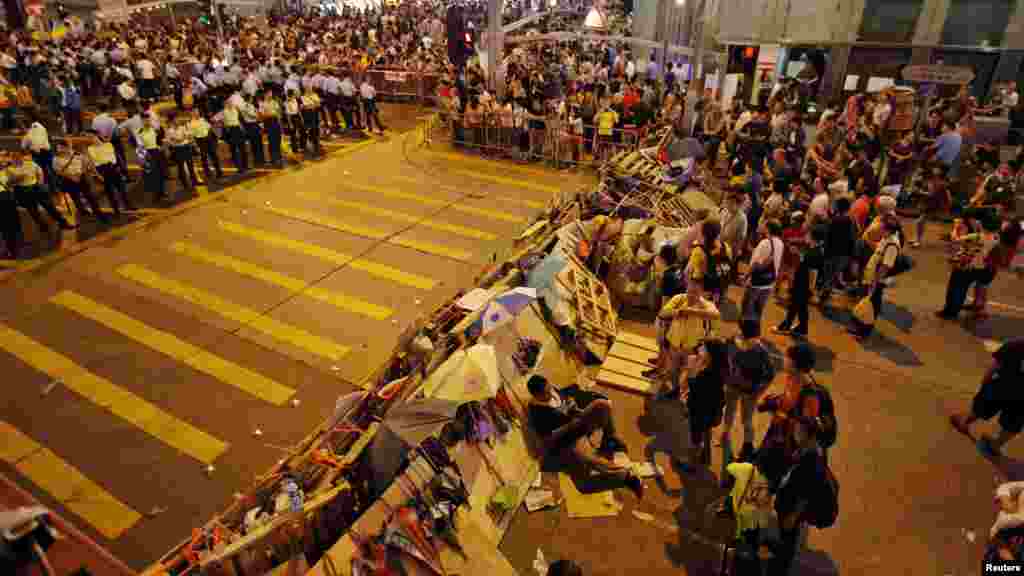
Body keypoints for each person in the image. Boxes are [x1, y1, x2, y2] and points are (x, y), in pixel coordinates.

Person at [525, 375, 643, 499]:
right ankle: (625, 477)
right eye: (546, 393)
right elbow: (547, 439)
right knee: (585, 480)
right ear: (537, 396)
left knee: (602, 404)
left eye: (550, 388)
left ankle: (610, 439)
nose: (550, 392)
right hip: (568, 439)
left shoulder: (551, 390)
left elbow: (564, 396)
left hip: (578, 423)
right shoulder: (537, 412)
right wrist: (569, 426)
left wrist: (571, 403)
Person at [772, 414, 830, 576]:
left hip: (791, 506)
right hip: (788, 500)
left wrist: (793, 515)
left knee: (788, 539)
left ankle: (780, 567)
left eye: (798, 430)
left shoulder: (812, 460)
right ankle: (781, 549)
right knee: (784, 534)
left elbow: (806, 493)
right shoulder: (808, 447)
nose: (795, 432)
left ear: (807, 433)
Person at [951, 339, 1024, 457]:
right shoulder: (1016, 345)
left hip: (1001, 387)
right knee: (1014, 422)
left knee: (982, 407)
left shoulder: (1016, 345)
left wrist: (985, 381)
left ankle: (964, 422)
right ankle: (996, 444)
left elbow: (995, 365)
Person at [655, 277, 721, 400]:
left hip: (692, 348)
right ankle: (674, 390)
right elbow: (662, 313)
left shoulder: (706, 304)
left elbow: (716, 315)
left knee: (688, 375)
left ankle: (686, 398)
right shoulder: (679, 299)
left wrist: (693, 311)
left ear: (701, 292)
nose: (691, 295)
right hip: (674, 344)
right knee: (672, 371)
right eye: (689, 291)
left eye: (695, 292)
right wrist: (678, 312)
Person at [723, 319, 775, 463]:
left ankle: (747, 447)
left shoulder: (760, 351)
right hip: (733, 385)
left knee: (746, 420)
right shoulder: (733, 341)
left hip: (749, 391)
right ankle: (726, 434)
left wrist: (759, 391)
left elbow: (770, 375)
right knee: (730, 410)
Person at [936, 209, 1000, 320]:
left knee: (956, 289)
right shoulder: (996, 237)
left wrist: (956, 227)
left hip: (967, 267)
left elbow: (955, 239)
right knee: (963, 289)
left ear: (983, 223)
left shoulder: (976, 237)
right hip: (982, 267)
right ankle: (958, 308)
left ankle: (951, 311)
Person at [849, 214, 902, 340]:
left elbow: (885, 266)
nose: (879, 229)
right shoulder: (886, 238)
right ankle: (858, 327)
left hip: (876, 281)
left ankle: (864, 332)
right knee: (864, 304)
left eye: (882, 228)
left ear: (888, 230)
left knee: (870, 307)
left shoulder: (892, 245)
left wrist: (874, 282)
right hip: (870, 277)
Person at [681, 338, 729, 472]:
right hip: (712, 412)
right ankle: (706, 457)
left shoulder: (707, 374)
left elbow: (690, 386)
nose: (700, 350)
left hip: (700, 412)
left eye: (703, 348)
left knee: (695, 439)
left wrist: (690, 370)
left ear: (710, 354)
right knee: (705, 432)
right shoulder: (719, 369)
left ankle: (691, 465)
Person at [915, 120, 962, 247]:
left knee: (923, 218)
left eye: (943, 125)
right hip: (948, 174)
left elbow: (931, 149)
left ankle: (954, 238)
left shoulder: (944, 137)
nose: (942, 128)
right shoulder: (958, 136)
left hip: (937, 198)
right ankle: (919, 240)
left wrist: (920, 191)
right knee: (925, 218)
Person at [8, 150, 73, 236]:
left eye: (18, 157)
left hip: (36, 187)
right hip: (23, 190)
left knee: (50, 206)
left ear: (21, 157)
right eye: (14, 158)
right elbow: (9, 183)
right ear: (12, 159)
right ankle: (44, 228)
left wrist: (40, 182)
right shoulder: (9, 169)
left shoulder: (30, 164)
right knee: (33, 211)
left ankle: (63, 223)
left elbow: (40, 172)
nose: (17, 159)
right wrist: (16, 179)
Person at [777, 223, 825, 337]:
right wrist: (798, 254)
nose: (805, 236)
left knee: (794, 306)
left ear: (813, 237)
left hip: (803, 286)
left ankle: (786, 326)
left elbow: (813, 272)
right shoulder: (815, 250)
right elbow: (807, 262)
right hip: (803, 285)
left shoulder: (815, 253)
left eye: (807, 234)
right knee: (801, 307)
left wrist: (810, 290)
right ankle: (802, 328)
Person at [742, 219, 784, 334]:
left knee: (747, 308)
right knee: (758, 310)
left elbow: (756, 264)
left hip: (756, 282)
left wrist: (746, 276)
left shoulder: (765, 243)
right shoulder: (780, 243)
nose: (762, 226)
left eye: (764, 225)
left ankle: (746, 334)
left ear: (768, 228)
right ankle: (755, 333)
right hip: (769, 282)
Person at [53, 139, 108, 223]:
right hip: (68, 180)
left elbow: (85, 163)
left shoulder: (77, 154)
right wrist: (71, 177)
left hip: (81, 177)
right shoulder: (56, 159)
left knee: (90, 196)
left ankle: (99, 213)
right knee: (75, 198)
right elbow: (58, 171)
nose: (60, 150)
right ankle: (83, 212)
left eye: (63, 147)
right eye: (59, 148)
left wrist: (81, 173)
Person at [87, 132, 133, 216]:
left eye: (91, 136)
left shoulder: (108, 144)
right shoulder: (90, 148)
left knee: (121, 188)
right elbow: (94, 162)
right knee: (110, 192)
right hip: (102, 169)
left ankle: (128, 205)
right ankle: (116, 210)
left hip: (113, 167)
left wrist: (118, 166)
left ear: (97, 136)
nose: (91, 139)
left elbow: (114, 156)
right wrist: (98, 175)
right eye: (89, 137)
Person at [166, 113, 198, 193]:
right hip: (178, 149)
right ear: (172, 121)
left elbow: (189, 136)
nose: (177, 121)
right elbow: (173, 141)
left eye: (177, 119)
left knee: (190, 165)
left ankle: (194, 181)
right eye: (176, 119)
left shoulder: (182, 128)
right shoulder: (169, 130)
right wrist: (181, 138)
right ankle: (185, 184)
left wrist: (182, 138)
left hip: (185, 147)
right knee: (181, 168)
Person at [138, 117, 167, 202]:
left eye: (148, 120)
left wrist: (162, 147)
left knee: (161, 173)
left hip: (157, 152)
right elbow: (139, 147)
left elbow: (160, 140)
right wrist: (142, 159)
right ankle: (155, 195)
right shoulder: (140, 132)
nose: (147, 122)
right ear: (142, 122)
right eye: (145, 121)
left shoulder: (155, 130)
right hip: (148, 154)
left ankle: (162, 192)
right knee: (152, 175)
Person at [189, 109, 222, 183]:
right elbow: (192, 136)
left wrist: (213, 138)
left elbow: (209, 128)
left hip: (208, 139)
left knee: (214, 155)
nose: (197, 114)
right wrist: (196, 145)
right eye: (195, 113)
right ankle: (208, 173)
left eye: (197, 112)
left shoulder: (202, 119)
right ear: (192, 114)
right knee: (204, 158)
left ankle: (218, 171)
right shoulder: (191, 124)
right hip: (200, 141)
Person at [221, 95, 248, 174]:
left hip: (237, 129)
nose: (230, 104)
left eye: (231, 102)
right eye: (228, 103)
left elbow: (240, 119)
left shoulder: (236, 110)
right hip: (230, 130)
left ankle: (245, 165)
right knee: (234, 150)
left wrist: (242, 128)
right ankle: (239, 167)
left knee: (242, 148)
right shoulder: (223, 112)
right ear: (225, 104)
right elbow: (218, 120)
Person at [260, 91, 284, 167]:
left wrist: (280, 123)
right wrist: (271, 114)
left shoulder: (274, 102)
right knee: (271, 140)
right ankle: (273, 158)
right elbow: (262, 115)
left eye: (271, 94)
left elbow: (278, 112)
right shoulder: (262, 104)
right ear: (265, 95)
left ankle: (279, 156)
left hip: (276, 121)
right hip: (268, 122)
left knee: (278, 139)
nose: (270, 95)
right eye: (269, 94)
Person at [240, 94, 265, 167]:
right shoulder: (246, 106)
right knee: (255, 143)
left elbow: (257, 114)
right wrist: (258, 114)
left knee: (259, 142)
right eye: (251, 98)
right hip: (251, 125)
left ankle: (261, 159)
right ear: (249, 99)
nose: (252, 99)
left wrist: (258, 114)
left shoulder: (250, 105)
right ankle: (257, 160)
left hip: (254, 124)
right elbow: (254, 115)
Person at [301, 85, 322, 157]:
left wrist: (312, 105)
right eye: (307, 89)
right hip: (308, 115)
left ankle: (317, 144)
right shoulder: (303, 97)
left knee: (316, 129)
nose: (309, 90)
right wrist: (313, 105)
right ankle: (311, 144)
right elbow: (306, 106)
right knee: (310, 130)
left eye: (310, 88)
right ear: (305, 90)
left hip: (315, 114)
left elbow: (319, 104)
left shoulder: (315, 95)